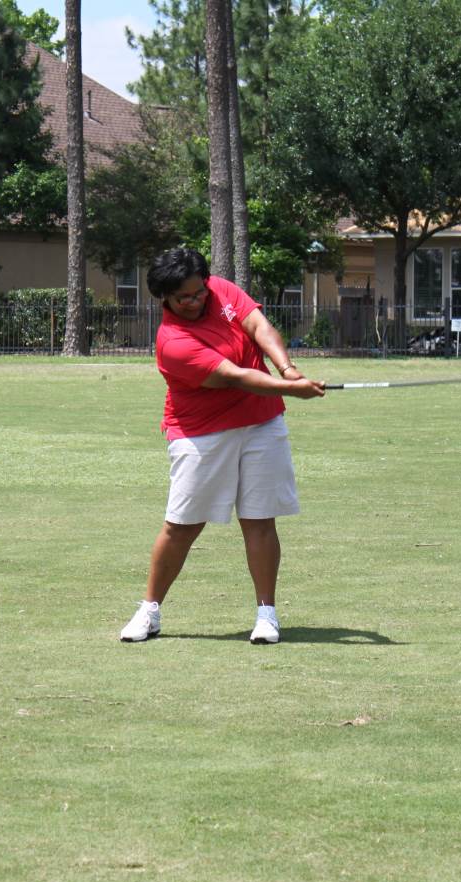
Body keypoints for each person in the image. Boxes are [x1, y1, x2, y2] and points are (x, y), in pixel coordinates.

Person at [119, 248, 325, 645]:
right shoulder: (172, 342)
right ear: (165, 298)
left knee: (260, 518)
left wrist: (287, 368)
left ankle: (267, 614)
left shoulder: (222, 291)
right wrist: (291, 389)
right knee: (182, 525)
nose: (197, 301)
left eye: (200, 292)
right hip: (202, 434)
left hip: (262, 423)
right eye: (185, 297)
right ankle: (150, 610)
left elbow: (259, 327)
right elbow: (234, 377)